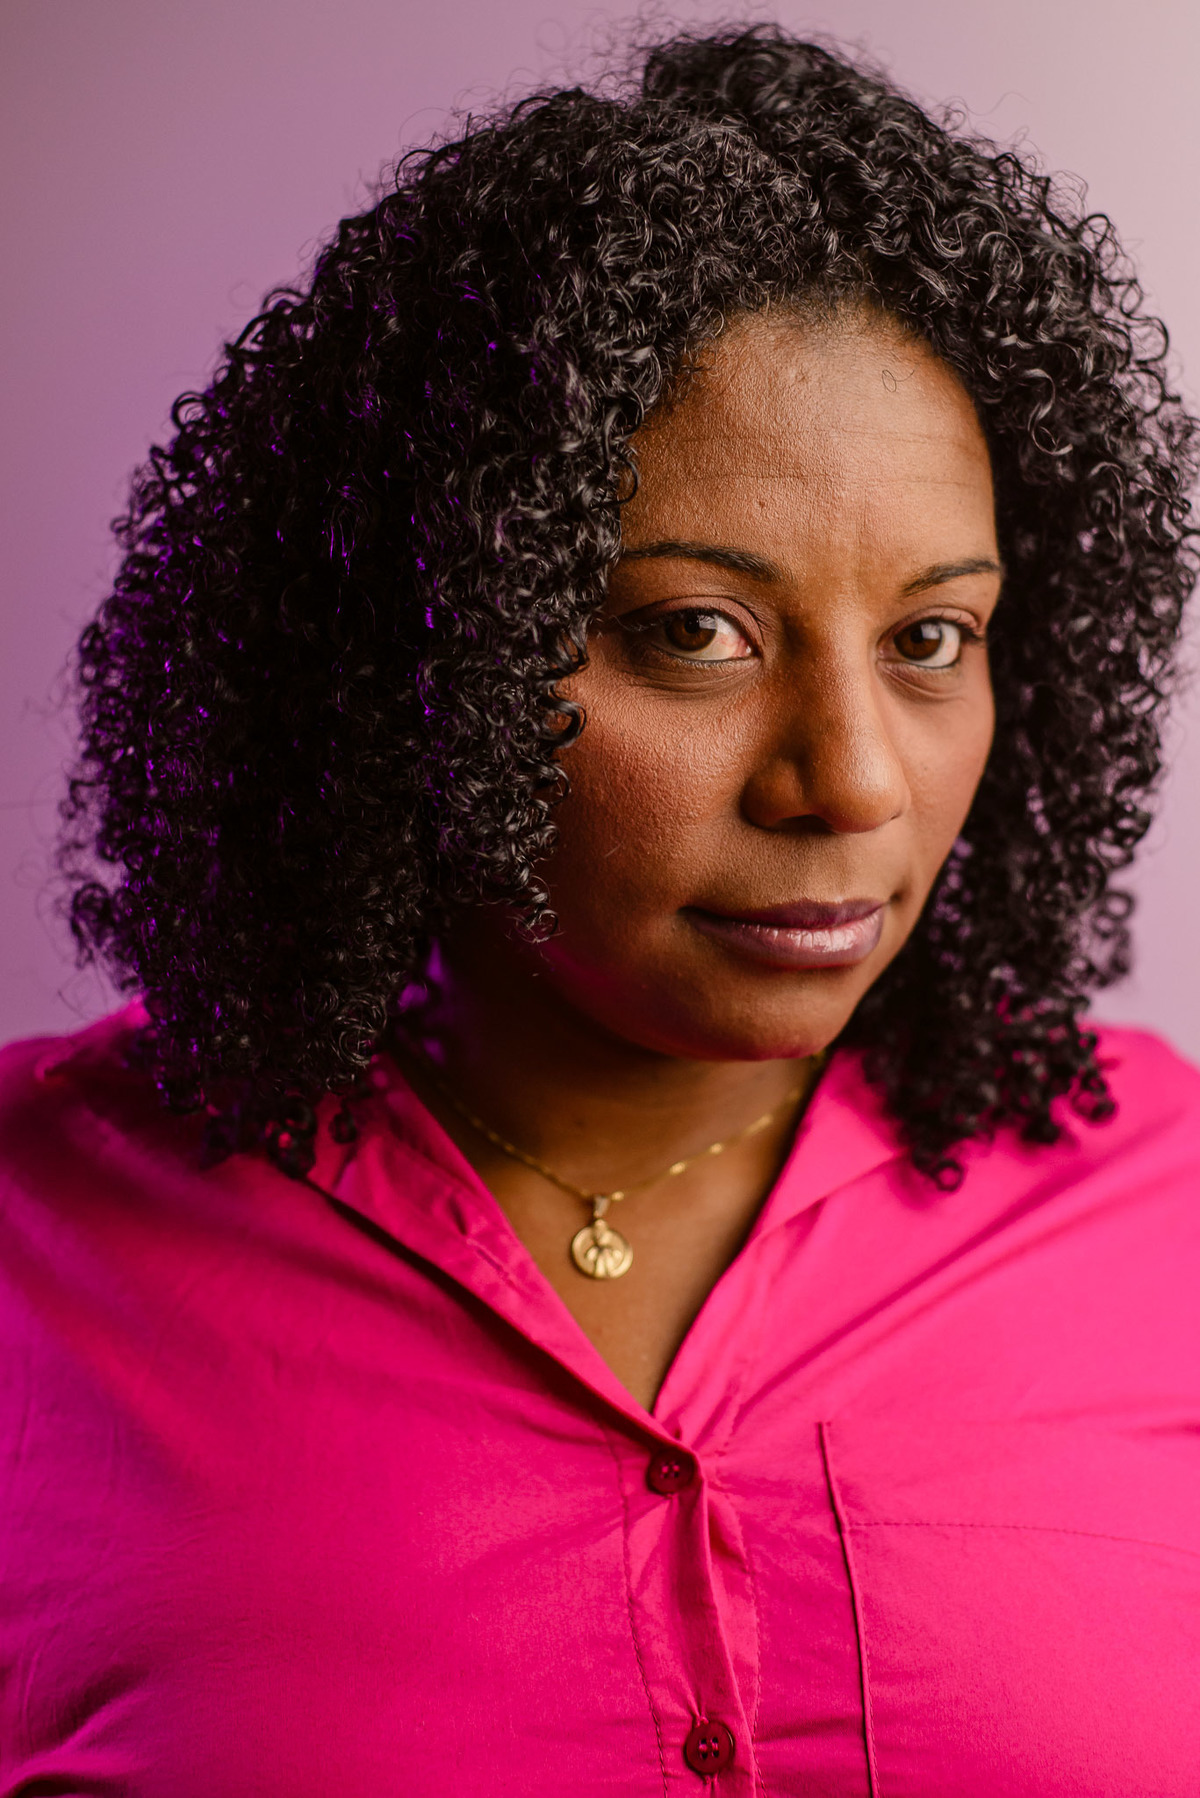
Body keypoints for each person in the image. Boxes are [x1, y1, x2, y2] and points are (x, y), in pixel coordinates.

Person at [2, 23, 1198, 1795]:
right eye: (693, 631)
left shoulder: (1166, 1206)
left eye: (931, 636)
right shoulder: (41, 1237)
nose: (853, 780)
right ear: (428, 647)